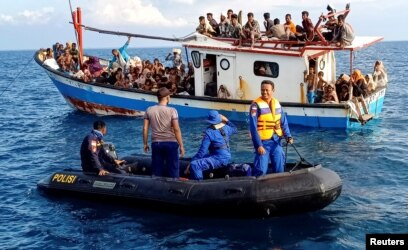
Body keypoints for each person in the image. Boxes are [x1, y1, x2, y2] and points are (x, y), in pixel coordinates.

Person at [249, 80, 293, 176]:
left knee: (279, 168)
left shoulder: (277, 104)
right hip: (263, 143)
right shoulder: (255, 106)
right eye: (262, 90)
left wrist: (288, 136)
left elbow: (284, 122)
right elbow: (253, 127)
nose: (264, 92)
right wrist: (258, 145)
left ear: (273, 90)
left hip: (276, 141)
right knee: (261, 170)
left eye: (267, 90)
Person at [143, 87, 185, 178]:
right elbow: (176, 129)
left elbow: (145, 129)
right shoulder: (172, 111)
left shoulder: (149, 110)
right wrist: (181, 145)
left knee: (157, 171)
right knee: (173, 171)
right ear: (167, 97)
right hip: (171, 143)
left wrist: (145, 143)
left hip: (156, 143)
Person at [186, 110, 238, 180]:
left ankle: (198, 185)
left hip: (218, 158)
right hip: (227, 157)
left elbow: (202, 152)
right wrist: (227, 120)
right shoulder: (226, 128)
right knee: (202, 158)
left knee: (195, 165)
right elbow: (235, 129)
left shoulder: (209, 132)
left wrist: (191, 162)